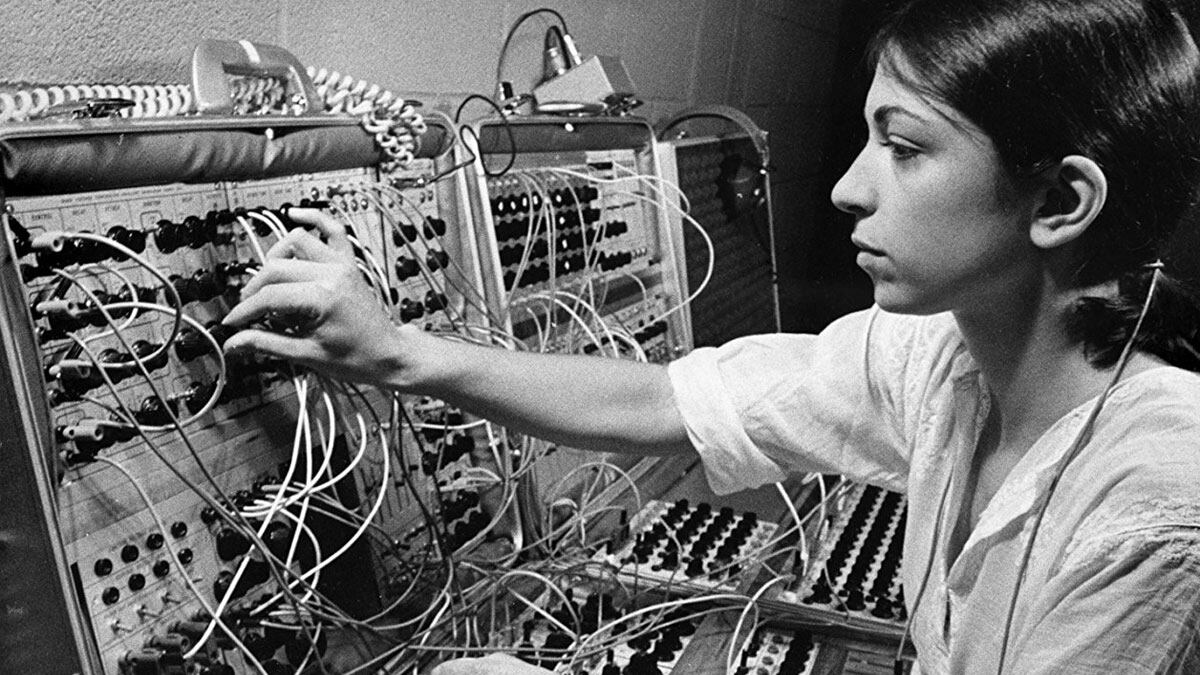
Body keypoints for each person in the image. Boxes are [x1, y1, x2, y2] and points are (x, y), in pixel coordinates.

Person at [222, 0, 1200, 671]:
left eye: (904, 148)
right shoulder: (940, 354)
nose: (847, 187)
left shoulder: (1155, 517)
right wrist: (396, 352)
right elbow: (666, 399)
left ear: (1061, 200)